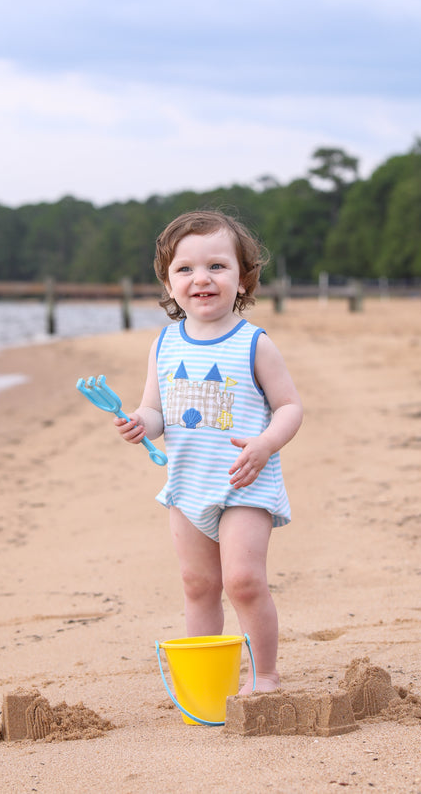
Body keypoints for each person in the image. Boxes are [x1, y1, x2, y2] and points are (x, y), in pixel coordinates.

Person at [115, 210, 303, 694]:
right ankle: (205, 680)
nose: (202, 278)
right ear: (169, 282)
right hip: (186, 485)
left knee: (242, 581)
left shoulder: (253, 344)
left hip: (245, 481)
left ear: (242, 279)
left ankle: (265, 674)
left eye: (217, 266)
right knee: (198, 585)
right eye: (186, 269)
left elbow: (289, 407)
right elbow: (157, 411)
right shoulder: (164, 343)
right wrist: (141, 424)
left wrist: (265, 444)